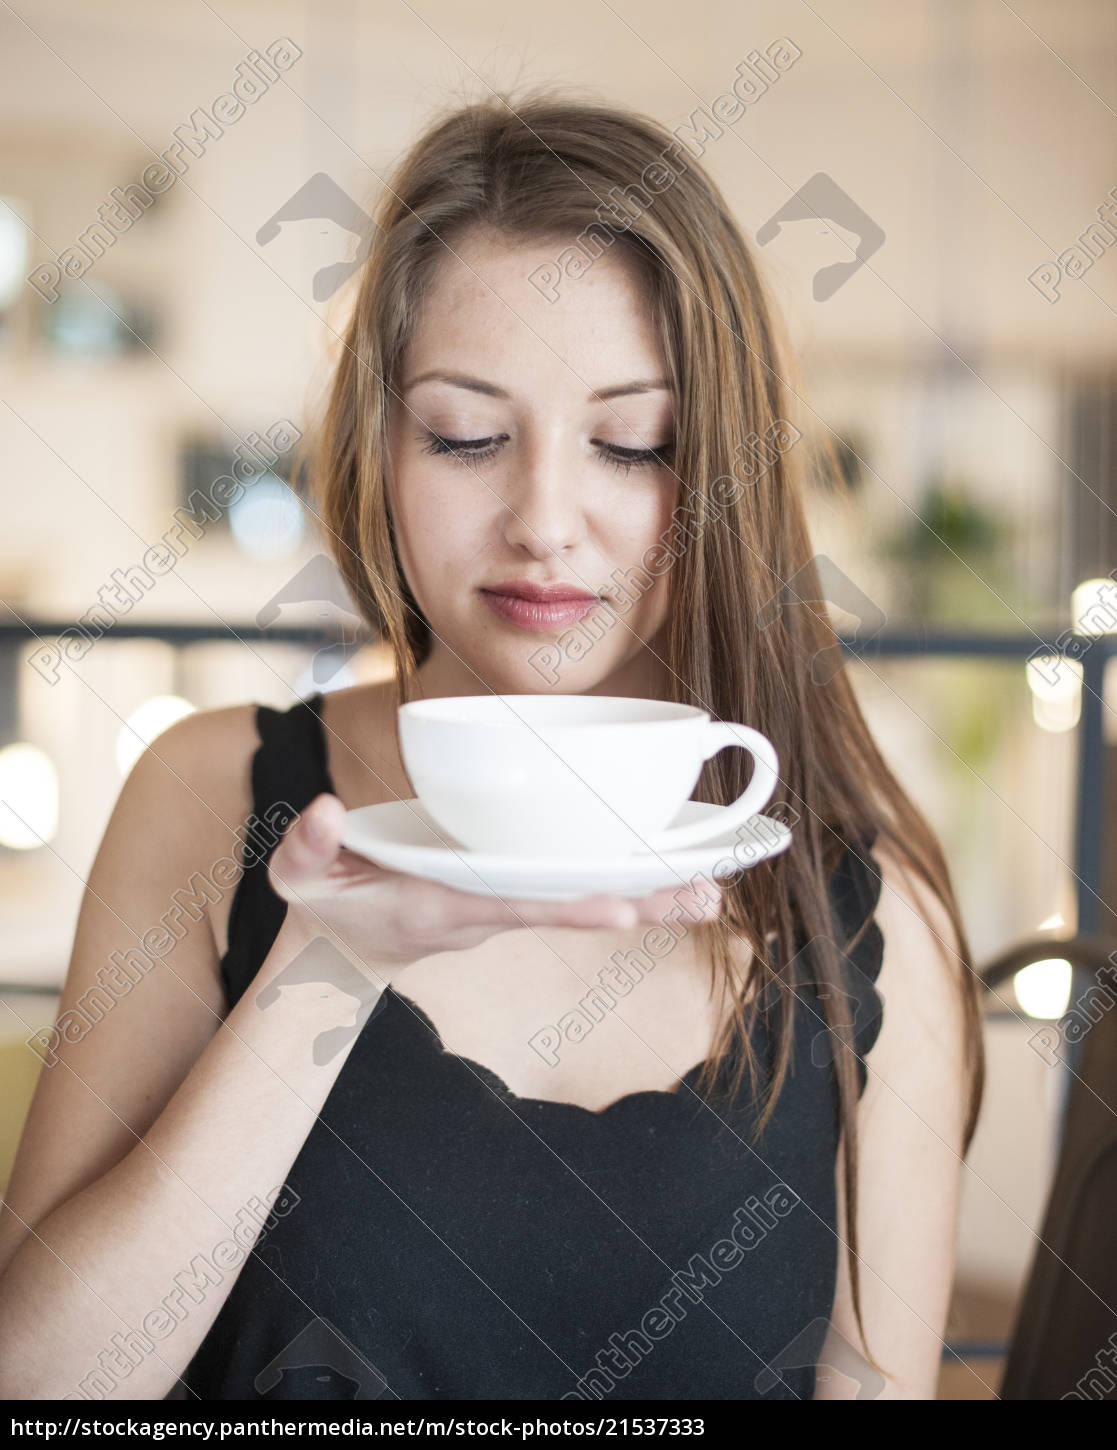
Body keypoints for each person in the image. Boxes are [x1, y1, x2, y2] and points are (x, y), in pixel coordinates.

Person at [0, 91, 984, 1402]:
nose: (543, 521)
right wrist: (324, 964)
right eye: (467, 434)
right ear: (382, 444)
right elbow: (41, 1381)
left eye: (634, 442)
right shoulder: (213, 793)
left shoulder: (866, 909)